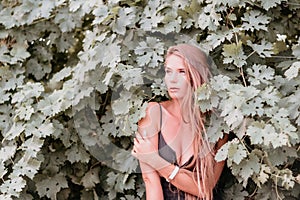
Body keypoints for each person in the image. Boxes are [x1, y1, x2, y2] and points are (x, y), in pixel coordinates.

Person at [131, 44, 228, 200]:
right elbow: (150, 181)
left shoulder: (215, 125)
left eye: (181, 72)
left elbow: (205, 189)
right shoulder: (154, 113)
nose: (173, 79)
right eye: (168, 72)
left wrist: (156, 160)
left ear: (197, 75)